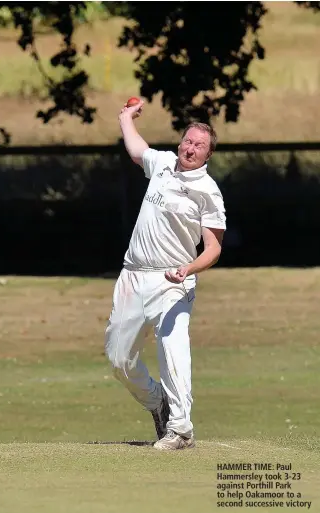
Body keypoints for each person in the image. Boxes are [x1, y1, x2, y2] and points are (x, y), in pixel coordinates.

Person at [104, 99, 227, 451]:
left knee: (172, 349)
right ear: (180, 143)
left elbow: (214, 249)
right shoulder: (162, 165)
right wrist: (126, 117)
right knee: (118, 360)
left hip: (173, 280)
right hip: (133, 275)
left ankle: (181, 429)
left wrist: (188, 269)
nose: (191, 148)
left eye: (199, 146)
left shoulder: (208, 192)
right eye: (188, 141)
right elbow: (137, 149)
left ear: (208, 155)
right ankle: (158, 402)